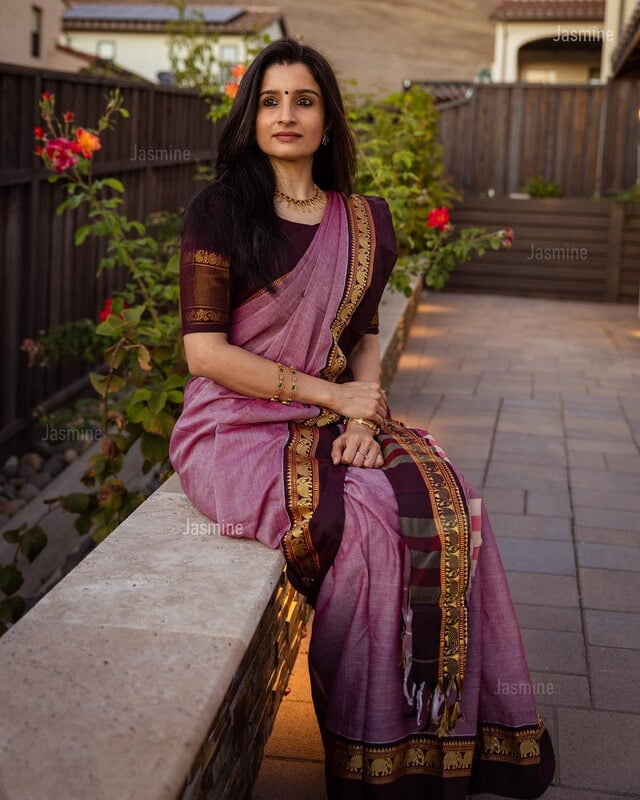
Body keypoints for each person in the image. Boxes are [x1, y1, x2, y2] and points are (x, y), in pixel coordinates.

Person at [169, 37, 555, 800]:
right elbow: (204, 355)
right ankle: (375, 747)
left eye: (304, 100)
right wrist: (332, 398)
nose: (287, 115)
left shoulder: (365, 220)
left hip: (332, 416)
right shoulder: (218, 212)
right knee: (370, 528)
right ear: (251, 117)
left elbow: (367, 334)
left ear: (326, 118)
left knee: (450, 507)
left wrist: (364, 420)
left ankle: (445, 738)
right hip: (234, 428)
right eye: (271, 100)